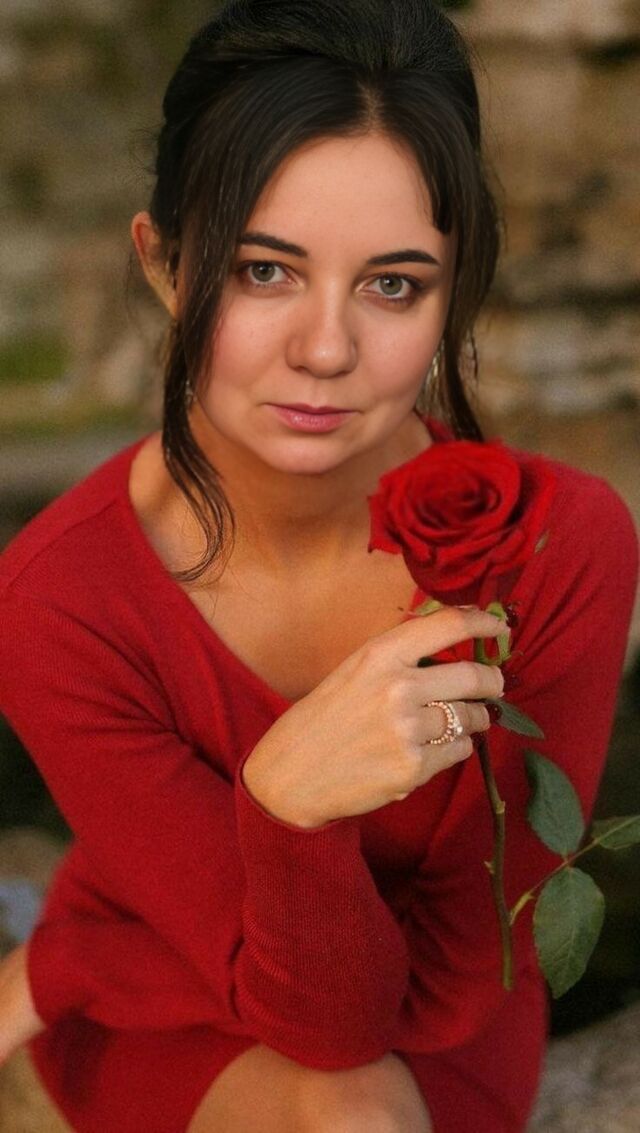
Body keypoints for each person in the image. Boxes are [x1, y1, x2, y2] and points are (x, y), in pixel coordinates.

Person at [0, 1, 637, 1130]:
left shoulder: (557, 546)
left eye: (394, 284)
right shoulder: (57, 601)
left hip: (428, 1024)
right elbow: (322, 1025)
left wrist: (73, 959)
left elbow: (444, 986)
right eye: (264, 270)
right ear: (164, 263)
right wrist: (286, 814)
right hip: (171, 1014)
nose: (327, 348)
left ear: (453, 292)